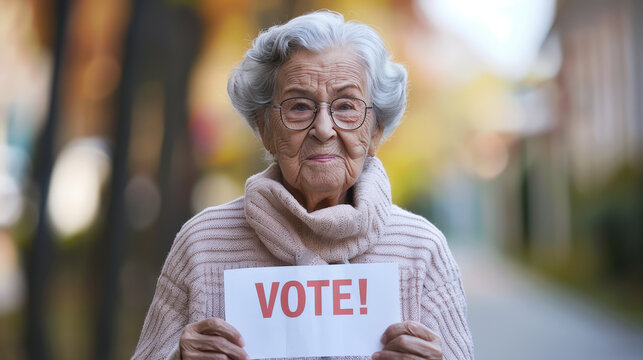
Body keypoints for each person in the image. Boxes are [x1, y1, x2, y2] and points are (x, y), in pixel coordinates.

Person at [132, 10, 473, 360]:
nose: (323, 128)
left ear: (375, 131)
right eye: (298, 107)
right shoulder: (202, 244)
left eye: (346, 106)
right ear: (265, 129)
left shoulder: (421, 251)